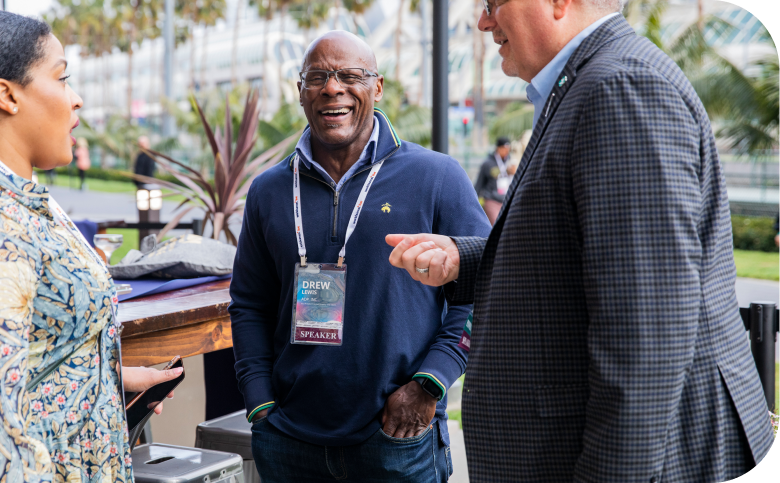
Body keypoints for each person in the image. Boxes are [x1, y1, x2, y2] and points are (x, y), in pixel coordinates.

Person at [386, 1, 775, 481]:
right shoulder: (592, 81)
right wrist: (463, 259)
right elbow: (583, 251)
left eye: (492, 4)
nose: (484, 21)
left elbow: (647, 339)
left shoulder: (620, 87)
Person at [0, 8, 180, 481]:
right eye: (62, 78)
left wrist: (101, 374)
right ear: (7, 95)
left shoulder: (10, 195)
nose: (75, 99)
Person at [229, 31, 490, 482]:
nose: (333, 88)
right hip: (289, 439)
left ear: (378, 87)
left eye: (351, 75)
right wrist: (260, 402)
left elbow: (487, 286)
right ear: (301, 92)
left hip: (397, 437)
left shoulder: (436, 177)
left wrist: (430, 384)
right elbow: (249, 302)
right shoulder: (269, 191)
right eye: (317, 77)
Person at [473, 136, 513, 224]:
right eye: (504, 148)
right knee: (497, 225)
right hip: (492, 200)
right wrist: (474, 202)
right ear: (498, 148)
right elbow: (479, 184)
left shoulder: (511, 162)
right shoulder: (487, 163)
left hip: (507, 200)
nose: (506, 151)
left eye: (508, 149)